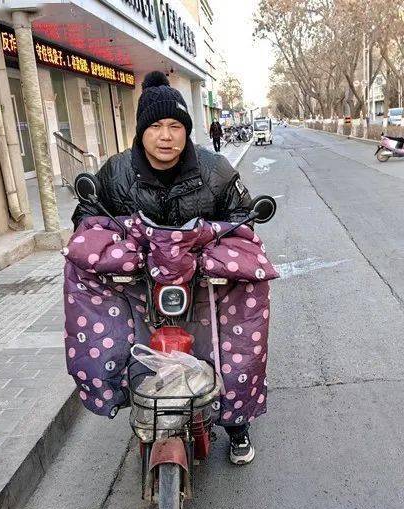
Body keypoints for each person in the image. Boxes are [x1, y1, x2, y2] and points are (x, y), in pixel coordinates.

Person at [71, 71, 261, 465]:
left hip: (203, 280)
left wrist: (216, 250)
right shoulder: (115, 172)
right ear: (141, 131)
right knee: (125, 340)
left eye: (175, 125)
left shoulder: (217, 170)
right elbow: (88, 216)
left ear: (187, 130)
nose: (165, 135)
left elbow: (243, 215)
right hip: (141, 283)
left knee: (228, 351)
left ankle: (237, 424)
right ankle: (126, 391)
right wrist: (111, 251)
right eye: (155, 126)